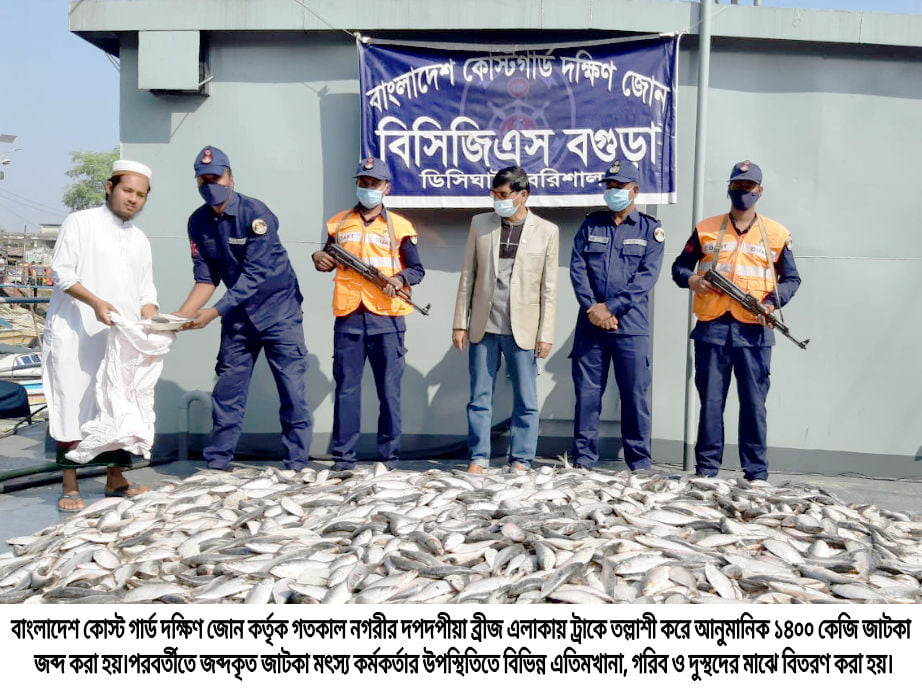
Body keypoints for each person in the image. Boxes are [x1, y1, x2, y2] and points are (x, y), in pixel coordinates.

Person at [175, 146, 312, 471]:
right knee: (227, 391)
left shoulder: (256, 214)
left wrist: (212, 313)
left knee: (291, 391)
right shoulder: (198, 222)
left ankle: (296, 466)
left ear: (231, 178)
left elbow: (254, 276)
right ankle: (217, 464)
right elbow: (205, 277)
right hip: (237, 316)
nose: (212, 184)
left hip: (279, 312)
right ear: (197, 181)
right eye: (204, 179)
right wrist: (180, 317)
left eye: (217, 177)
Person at [671, 160, 801, 480]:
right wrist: (693, 281)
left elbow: (792, 279)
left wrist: (771, 303)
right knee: (711, 403)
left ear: (760, 191)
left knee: (754, 404)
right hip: (712, 329)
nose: (742, 191)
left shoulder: (776, 234)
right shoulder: (705, 228)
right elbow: (679, 267)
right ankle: (707, 471)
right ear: (729, 188)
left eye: (748, 187)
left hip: (755, 330)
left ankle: (755, 474)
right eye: (737, 185)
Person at [43, 159, 159, 512]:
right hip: (76, 333)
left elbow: (146, 292)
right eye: (127, 191)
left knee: (118, 403)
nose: (133, 199)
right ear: (110, 188)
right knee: (72, 404)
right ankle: (69, 485)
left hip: (119, 340)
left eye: (141, 195)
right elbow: (62, 273)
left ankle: (116, 479)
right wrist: (95, 302)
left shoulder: (140, 239)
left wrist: (155, 321)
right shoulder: (80, 223)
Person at [311, 157, 424, 471]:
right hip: (348, 315)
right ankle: (343, 459)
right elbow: (327, 257)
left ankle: (388, 460)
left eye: (374, 183)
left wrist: (399, 280)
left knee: (389, 392)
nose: (367, 187)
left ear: (387, 188)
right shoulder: (338, 223)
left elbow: (417, 269)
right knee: (346, 390)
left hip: (387, 318)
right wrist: (319, 258)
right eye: (363, 182)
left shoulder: (401, 227)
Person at [452, 166, 559, 473]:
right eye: (494, 194)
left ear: (522, 195)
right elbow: (468, 275)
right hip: (483, 325)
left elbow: (549, 288)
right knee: (479, 397)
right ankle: (478, 457)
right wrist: (460, 322)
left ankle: (522, 459)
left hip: (522, 328)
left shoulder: (546, 231)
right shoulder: (480, 224)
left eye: (502, 195)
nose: (497, 200)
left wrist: (545, 334)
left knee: (526, 398)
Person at [569, 160, 664, 472]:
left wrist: (610, 308)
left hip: (631, 328)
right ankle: (583, 460)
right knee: (587, 395)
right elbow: (578, 269)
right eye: (609, 186)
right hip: (591, 326)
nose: (612, 191)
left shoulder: (650, 230)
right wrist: (593, 308)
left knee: (634, 396)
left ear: (634, 190)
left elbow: (645, 278)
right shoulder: (591, 225)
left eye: (619, 186)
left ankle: (639, 463)